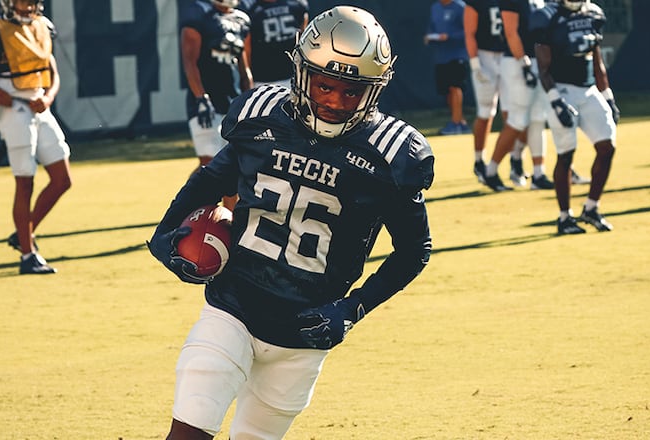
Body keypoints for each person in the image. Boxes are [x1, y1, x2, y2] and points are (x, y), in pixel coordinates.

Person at [147, 6, 434, 439]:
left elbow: (414, 250)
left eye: (352, 91)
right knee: (188, 432)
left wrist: (351, 309)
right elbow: (210, 180)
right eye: (325, 85)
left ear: (374, 89)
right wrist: (167, 234)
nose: (335, 101)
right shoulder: (263, 117)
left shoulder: (390, 154)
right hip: (233, 308)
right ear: (302, 73)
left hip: (305, 332)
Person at [0, 0, 72, 275]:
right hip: (14, 110)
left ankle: (22, 235)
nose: (28, 5)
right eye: (22, 0)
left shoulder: (42, 26)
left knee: (62, 179)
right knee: (25, 182)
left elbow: (52, 71)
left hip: (39, 106)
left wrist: (49, 96)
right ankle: (28, 256)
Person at [532, 0, 620, 234]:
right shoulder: (547, 17)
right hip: (561, 89)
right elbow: (543, 68)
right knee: (566, 154)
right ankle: (564, 217)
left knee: (607, 146)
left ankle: (591, 208)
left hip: (589, 90)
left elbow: (596, 59)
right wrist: (555, 100)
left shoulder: (593, 13)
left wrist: (607, 96)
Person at [180, 0, 253, 210]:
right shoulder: (198, 13)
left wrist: (249, 99)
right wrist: (200, 97)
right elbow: (189, 62)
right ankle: (184, 208)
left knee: (232, 166)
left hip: (232, 101)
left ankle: (230, 220)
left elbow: (244, 66)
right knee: (209, 164)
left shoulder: (241, 19)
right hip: (206, 102)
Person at [480, 0, 556, 192]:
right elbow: (511, 31)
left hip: (536, 60)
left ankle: (538, 174)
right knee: (517, 120)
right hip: (517, 61)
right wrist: (523, 61)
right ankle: (490, 171)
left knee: (538, 119)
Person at [463, 0, 505, 182]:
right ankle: (479, 160)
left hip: (508, 55)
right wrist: (475, 63)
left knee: (514, 113)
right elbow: (469, 32)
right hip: (484, 56)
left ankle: (517, 160)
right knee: (486, 111)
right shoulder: (476, 3)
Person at [425, 0, 471, 135]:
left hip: (457, 55)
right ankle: (460, 122)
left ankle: (456, 124)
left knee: (455, 87)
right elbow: (432, 27)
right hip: (441, 57)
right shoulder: (435, 8)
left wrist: (449, 36)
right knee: (448, 91)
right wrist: (430, 36)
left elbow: (468, 31)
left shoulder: (460, 7)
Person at [241, 0, 309, 88]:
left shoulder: (297, 4)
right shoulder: (248, 8)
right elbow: (246, 50)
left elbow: (303, 40)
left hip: (293, 76)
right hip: (263, 79)